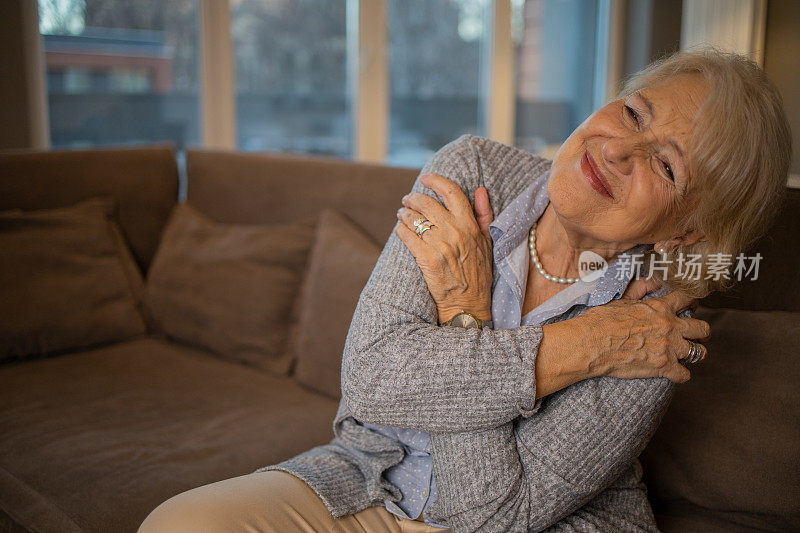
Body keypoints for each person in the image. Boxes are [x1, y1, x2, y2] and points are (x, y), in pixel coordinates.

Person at [139, 49, 791, 532]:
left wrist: (463, 315)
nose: (619, 147)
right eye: (631, 112)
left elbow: (489, 516)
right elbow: (369, 380)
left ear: (685, 232)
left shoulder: (652, 332)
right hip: (370, 477)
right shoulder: (472, 171)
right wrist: (571, 346)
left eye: (667, 164)